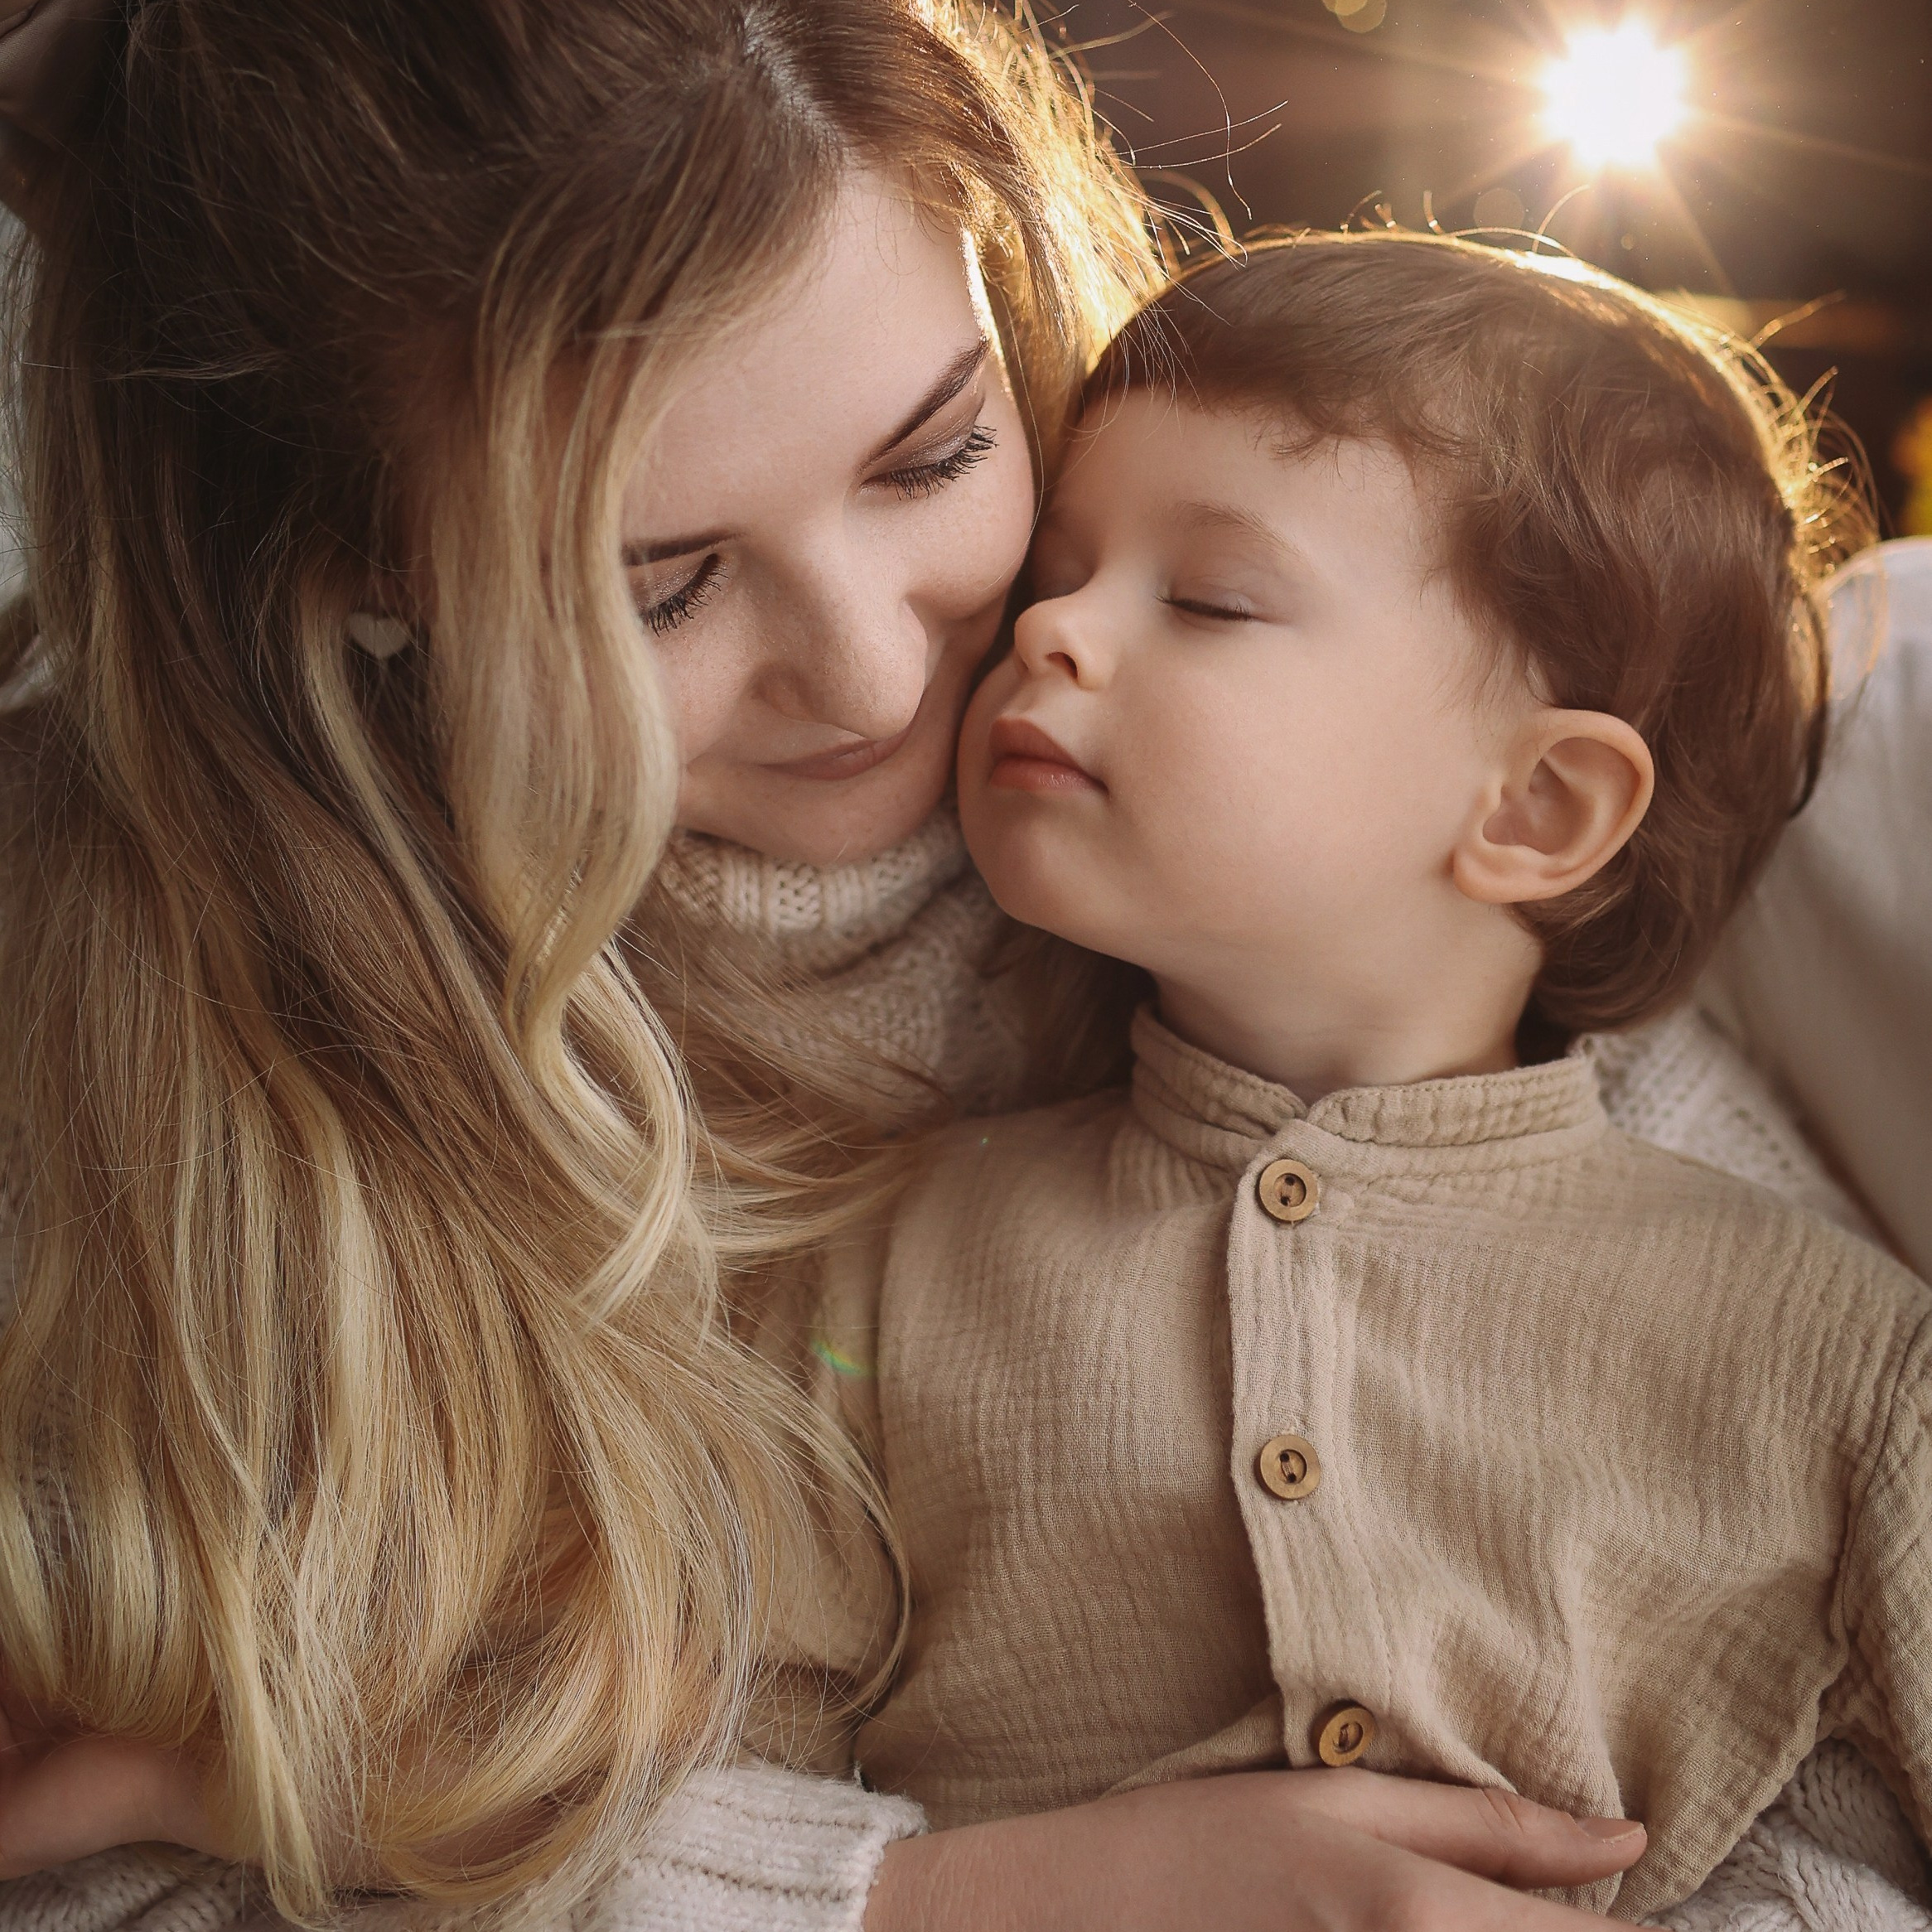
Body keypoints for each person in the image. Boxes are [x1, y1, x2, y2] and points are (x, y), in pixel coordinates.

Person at [0, 6, 1905, 1930]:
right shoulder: (142, 1027)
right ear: (356, 578)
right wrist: (933, 1898)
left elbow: (1803, 1716)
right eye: (652, 583)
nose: (884, 673)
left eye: (934, 456)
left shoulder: (1439, 860)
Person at [812, 232, 1932, 1923]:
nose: (1047, 630)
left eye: (1207, 597)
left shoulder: (1836, 1358)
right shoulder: (863, 1258)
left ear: (1536, 808)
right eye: (1056, 569)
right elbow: (676, 1789)